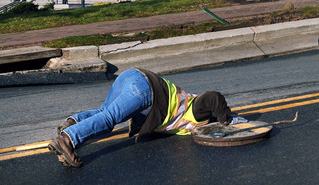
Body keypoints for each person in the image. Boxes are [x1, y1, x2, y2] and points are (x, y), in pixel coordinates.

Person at [48, 67, 247, 168]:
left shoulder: (185, 106)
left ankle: (73, 121)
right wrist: (226, 119)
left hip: (132, 75)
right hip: (146, 91)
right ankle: (67, 139)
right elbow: (213, 97)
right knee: (109, 119)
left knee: (105, 111)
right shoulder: (197, 112)